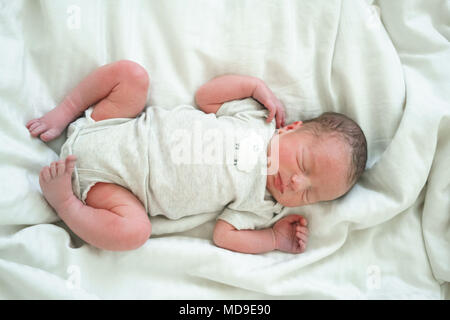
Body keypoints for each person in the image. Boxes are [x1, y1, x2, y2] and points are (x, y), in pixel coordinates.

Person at [26, 60, 367, 254]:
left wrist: (274, 239)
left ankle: (67, 205)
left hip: (120, 189)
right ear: (290, 128)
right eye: (304, 165)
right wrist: (252, 86)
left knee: (134, 232)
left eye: (308, 193)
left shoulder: (263, 203)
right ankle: (65, 111)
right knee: (133, 76)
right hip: (113, 125)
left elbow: (224, 235)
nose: (295, 183)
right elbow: (206, 98)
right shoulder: (256, 120)